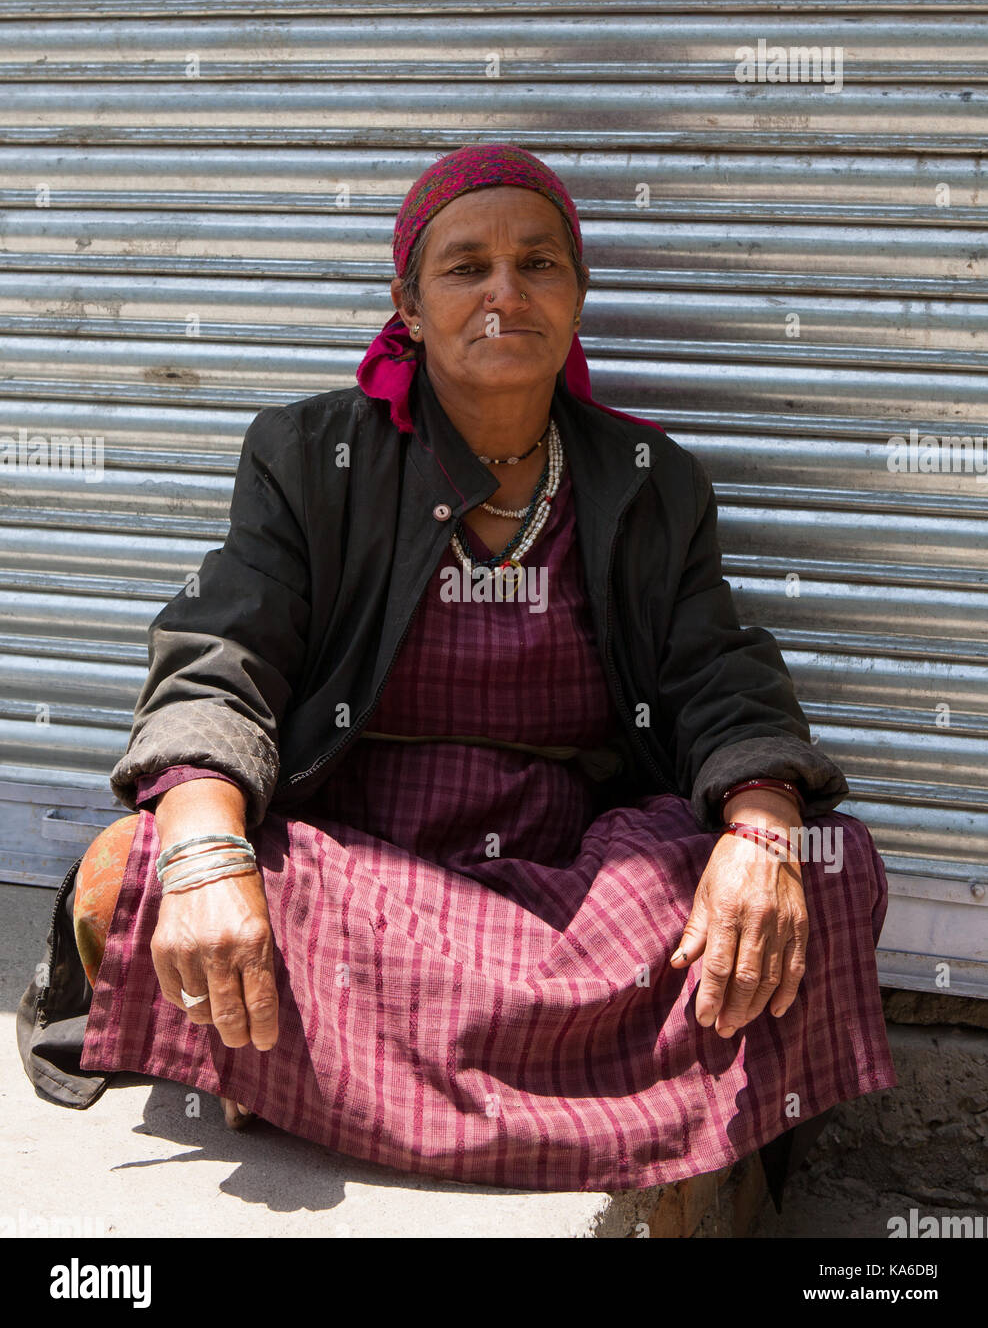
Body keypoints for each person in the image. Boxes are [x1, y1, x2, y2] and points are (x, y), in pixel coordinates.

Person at [27, 144, 896, 1196]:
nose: (503, 291)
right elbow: (222, 660)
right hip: (356, 856)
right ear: (407, 299)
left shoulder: (646, 482)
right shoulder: (310, 457)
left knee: (824, 864)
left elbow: (721, 672)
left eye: (538, 264)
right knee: (138, 869)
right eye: (464, 266)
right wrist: (210, 858)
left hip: (579, 874)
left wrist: (759, 832)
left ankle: (324, 1068)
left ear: (578, 294)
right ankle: (610, 1096)